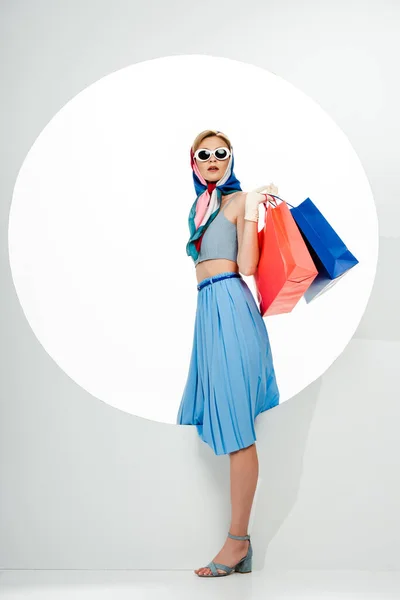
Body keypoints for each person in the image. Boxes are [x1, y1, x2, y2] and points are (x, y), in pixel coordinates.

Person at [176, 129, 280, 577]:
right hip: (208, 312)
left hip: (232, 308)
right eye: (205, 154)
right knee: (231, 421)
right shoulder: (199, 209)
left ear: (231, 159)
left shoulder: (238, 201)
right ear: (194, 163)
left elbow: (250, 266)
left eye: (222, 153)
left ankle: (236, 542)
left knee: (238, 426)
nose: (214, 159)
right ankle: (242, 545)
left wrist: (253, 209)